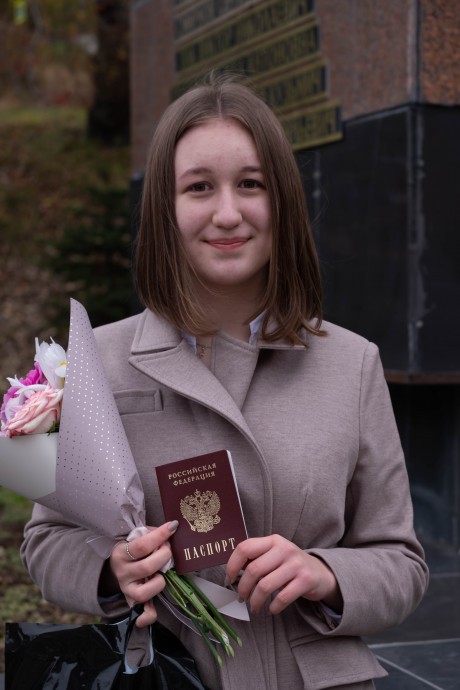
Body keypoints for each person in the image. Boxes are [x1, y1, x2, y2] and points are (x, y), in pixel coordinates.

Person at [21, 73, 428, 690]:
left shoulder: (352, 363)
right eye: (199, 187)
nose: (228, 213)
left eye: (251, 184)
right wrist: (111, 569)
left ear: (281, 201)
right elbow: (47, 540)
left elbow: (401, 562)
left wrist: (324, 574)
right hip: (163, 674)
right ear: (166, 207)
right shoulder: (96, 359)